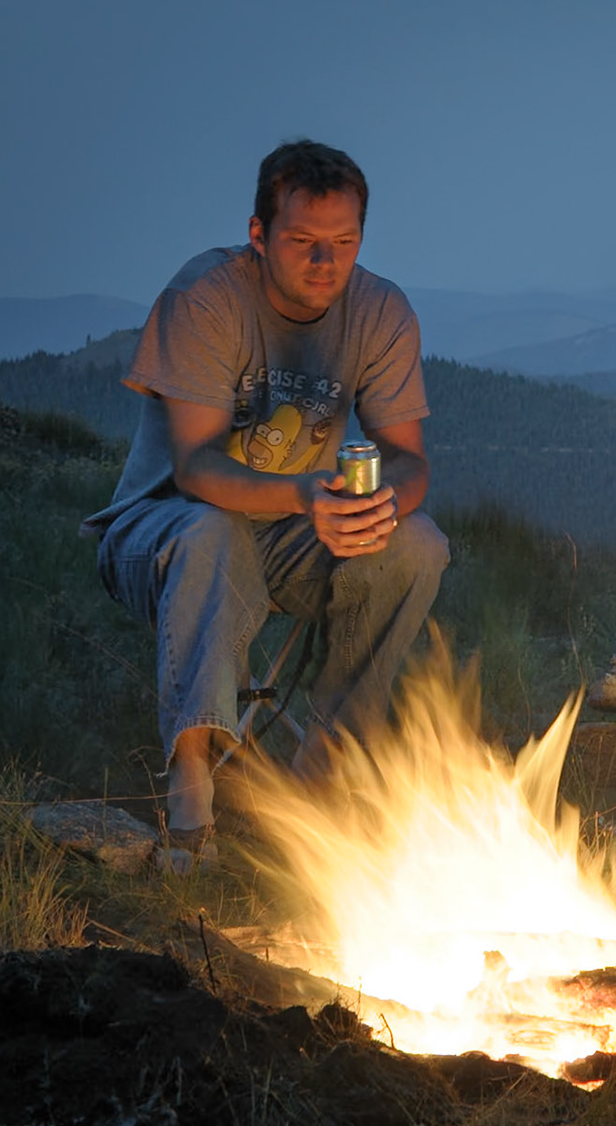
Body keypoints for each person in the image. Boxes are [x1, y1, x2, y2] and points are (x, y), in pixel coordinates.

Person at [83, 139, 449, 853]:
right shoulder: (206, 297)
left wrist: (375, 508)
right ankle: (191, 801)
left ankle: (325, 774)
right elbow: (195, 469)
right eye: (303, 241)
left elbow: (410, 461)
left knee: (417, 544)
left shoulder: (380, 311)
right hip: (161, 531)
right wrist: (305, 496)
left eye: (344, 242)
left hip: (289, 533)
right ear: (259, 233)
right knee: (211, 531)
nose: (325, 262)